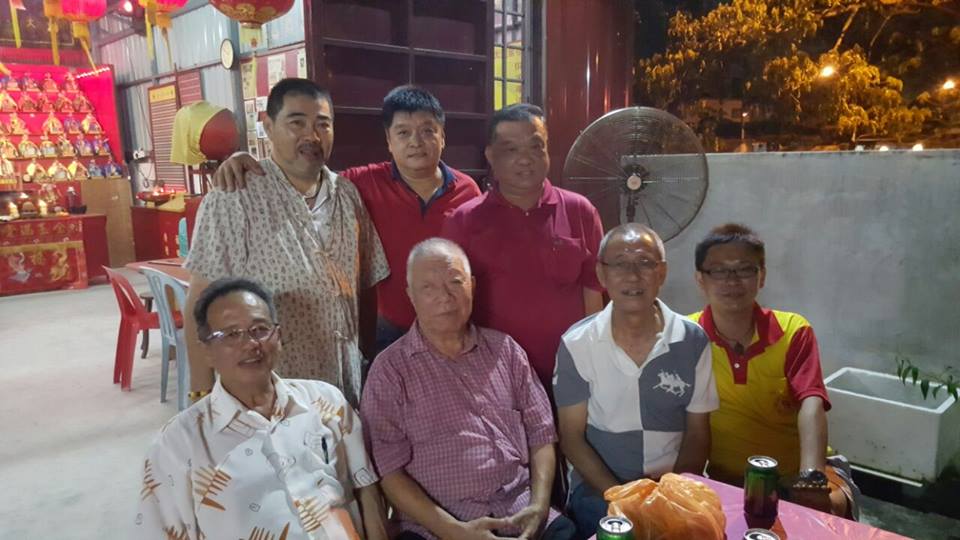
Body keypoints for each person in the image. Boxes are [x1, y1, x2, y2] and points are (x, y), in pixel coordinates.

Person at [210, 85, 481, 353]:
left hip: (451, 323)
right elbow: (307, 173)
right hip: (389, 331)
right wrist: (243, 160)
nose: (416, 142)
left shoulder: (468, 191)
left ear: (442, 137)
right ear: (389, 140)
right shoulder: (361, 183)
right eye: (403, 132)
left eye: (427, 131)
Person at [183, 78, 389, 407]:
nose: (312, 136)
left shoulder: (347, 195)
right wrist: (200, 394)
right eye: (297, 123)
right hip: (271, 393)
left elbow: (364, 287)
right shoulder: (235, 196)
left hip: (344, 387)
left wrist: (364, 356)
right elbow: (200, 302)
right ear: (268, 126)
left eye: (323, 124)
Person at [136, 278, 388, 540]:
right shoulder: (178, 444)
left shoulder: (326, 401)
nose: (250, 344)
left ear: (278, 337)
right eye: (231, 334)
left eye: (260, 329)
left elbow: (366, 489)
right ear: (207, 351)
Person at [360, 238, 576, 540]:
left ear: (472, 286)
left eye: (455, 282)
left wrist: (539, 506)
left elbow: (542, 436)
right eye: (428, 288)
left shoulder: (506, 351)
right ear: (410, 296)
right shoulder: (390, 371)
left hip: (521, 512)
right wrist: (455, 531)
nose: (445, 297)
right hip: (437, 529)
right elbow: (389, 472)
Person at [553, 224, 718, 539]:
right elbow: (571, 437)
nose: (632, 275)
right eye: (620, 264)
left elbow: (698, 433)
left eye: (644, 262)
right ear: (601, 274)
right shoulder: (577, 343)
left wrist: (672, 499)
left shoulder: (692, 339)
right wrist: (624, 500)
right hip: (600, 489)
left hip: (674, 486)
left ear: (662, 272)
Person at [689, 223, 857, 517]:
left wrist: (811, 478)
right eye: (718, 270)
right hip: (727, 481)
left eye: (744, 269)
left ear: (762, 276)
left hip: (799, 475)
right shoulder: (687, 335)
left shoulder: (793, 330)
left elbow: (812, 403)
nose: (732, 280)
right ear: (700, 279)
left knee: (824, 513)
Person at [441, 103, 604, 391]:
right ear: (491, 155)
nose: (525, 159)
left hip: (570, 372)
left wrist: (593, 364)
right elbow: (452, 302)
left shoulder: (580, 211)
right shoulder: (463, 221)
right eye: (511, 149)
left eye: (535, 147)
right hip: (493, 379)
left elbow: (593, 292)